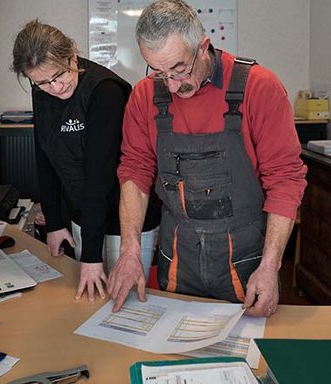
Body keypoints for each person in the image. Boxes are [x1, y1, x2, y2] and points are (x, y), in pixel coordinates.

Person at [107, 0, 307, 317]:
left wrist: (270, 266)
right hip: (178, 254)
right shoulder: (144, 95)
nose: (171, 84)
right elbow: (135, 170)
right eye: (158, 72)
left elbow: (286, 180)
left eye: (179, 69)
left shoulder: (260, 88)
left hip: (245, 257)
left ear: (203, 48)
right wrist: (130, 250)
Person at [11, 20, 160, 301]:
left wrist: (92, 257)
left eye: (59, 75)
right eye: (42, 82)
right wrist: (54, 223)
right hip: (83, 216)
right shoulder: (42, 86)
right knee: (89, 303)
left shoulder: (105, 92)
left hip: (122, 219)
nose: (54, 87)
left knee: (123, 302)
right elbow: (45, 155)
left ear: (72, 54)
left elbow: (98, 178)